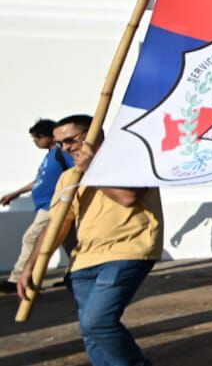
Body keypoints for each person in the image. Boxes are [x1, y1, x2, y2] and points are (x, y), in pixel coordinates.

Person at [16, 114, 161, 366]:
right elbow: (58, 223)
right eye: (60, 143)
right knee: (90, 331)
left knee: (99, 323)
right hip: (82, 260)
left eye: (71, 139)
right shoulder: (68, 177)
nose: (66, 148)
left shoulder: (131, 160)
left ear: (93, 134)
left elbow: (128, 197)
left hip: (127, 251)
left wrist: (92, 168)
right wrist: (30, 266)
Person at [4, 118, 71, 291]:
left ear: (47, 137)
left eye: (37, 138)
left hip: (53, 206)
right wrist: (16, 193)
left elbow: (75, 173)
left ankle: (19, 279)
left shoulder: (61, 153)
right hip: (45, 205)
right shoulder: (50, 156)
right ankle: (74, 276)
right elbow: (40, 180)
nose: (35, 142)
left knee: (32, 238)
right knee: (69, 242)